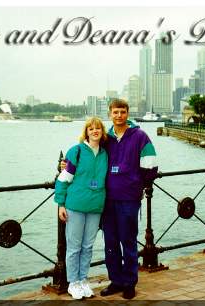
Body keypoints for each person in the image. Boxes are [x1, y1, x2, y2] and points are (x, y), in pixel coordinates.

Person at [99, 99, 158, 299]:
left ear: (127, 113)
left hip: (129, 199)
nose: (119, 116)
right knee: (111, 242)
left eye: (122, 112)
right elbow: (88, 155)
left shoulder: (140, 136)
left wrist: (138, 186)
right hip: (107, 199)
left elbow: (151, 165)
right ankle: (116, 280)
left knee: (129, 241)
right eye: (115, 112)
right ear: (110, 114)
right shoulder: (105, 139)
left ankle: (130, 282)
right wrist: (67, 164)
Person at [54, 117, 108, 300]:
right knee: (74, 246)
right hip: (75, 205)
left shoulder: (105, 154)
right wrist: (61, 204)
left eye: (98, 128)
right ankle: (73, 283)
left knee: (88, 246)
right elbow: (63, 179)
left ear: (102, 131)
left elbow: (128, 127)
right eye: (91, 129)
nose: (95, 131)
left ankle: (84, 279)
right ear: (86, 132)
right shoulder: (76, 151)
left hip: (95, 206)